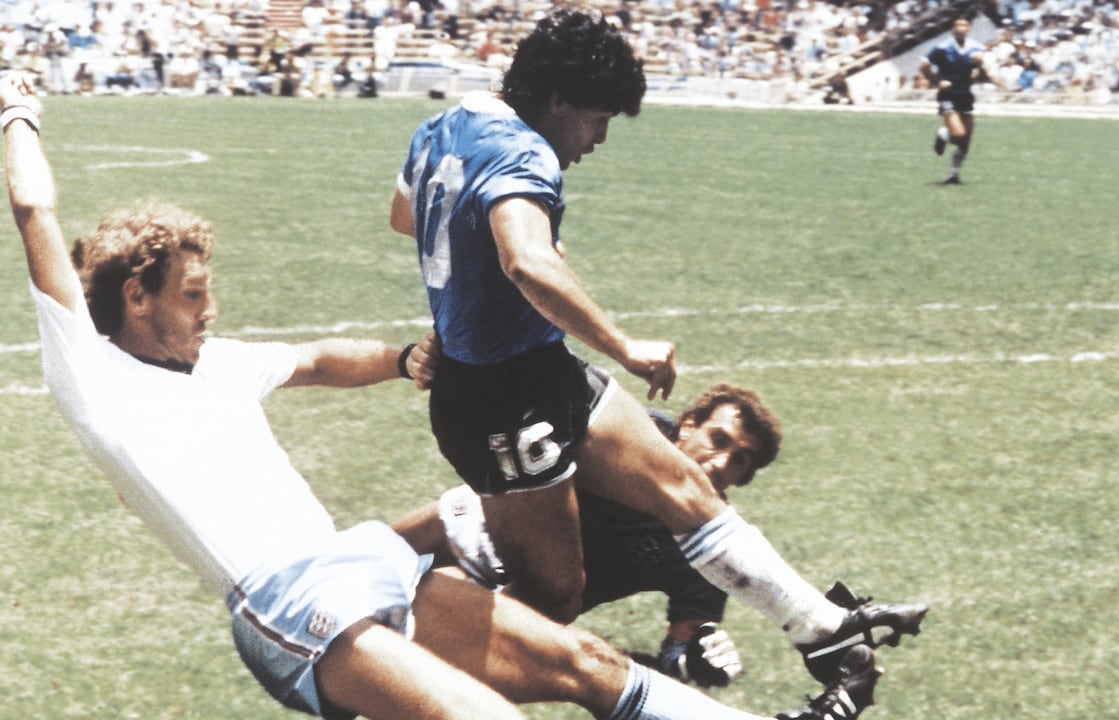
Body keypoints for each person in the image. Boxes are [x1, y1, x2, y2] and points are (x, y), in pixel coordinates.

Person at [1, 74, 880, 720]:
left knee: (586, 664)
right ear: (134, 298)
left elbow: (313, 359)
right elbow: (37, 216)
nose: (211, 308)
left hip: (357, 562)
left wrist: (403, 357)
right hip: (286, 604)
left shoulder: (216, 363)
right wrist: (18, 110)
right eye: (192, 295)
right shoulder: (94, 373)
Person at [388, 6, 928, 688]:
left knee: (684, 485)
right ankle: (405, 679)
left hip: (536, 368)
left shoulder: (444, 128)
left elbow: (406, 216)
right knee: (554, 599)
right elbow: (527, 262)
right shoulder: (526, 151)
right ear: (557, 100)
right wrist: (624, 346)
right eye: (599, 118)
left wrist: (474, 275)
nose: (601, 138)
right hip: (502, 401)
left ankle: (821, 631)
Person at [396, 380, 906, 689]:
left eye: (740, 459)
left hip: (518, 602)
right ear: (686, 425)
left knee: (403, 664)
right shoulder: (627, 433)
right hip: (469, 523)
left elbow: (676, 648)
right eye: (718, 438)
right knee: (347, 567)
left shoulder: (714, 552)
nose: (722, 460)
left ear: (744, 478)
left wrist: (696, 662)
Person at [918, 16, 1000, 185]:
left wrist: (979, 67)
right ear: (952, 29)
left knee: (966, 140)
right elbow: (924, 66)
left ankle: (953, 175)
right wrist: (936, 81)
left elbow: (980, 75)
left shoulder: (976, 48)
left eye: (965, 25)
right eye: (958, 25)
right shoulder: (942, 48)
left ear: (969, 28)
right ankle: (943, 134)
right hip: (948, 94)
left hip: (966, 95)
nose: (961, 28)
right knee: (958, 133)